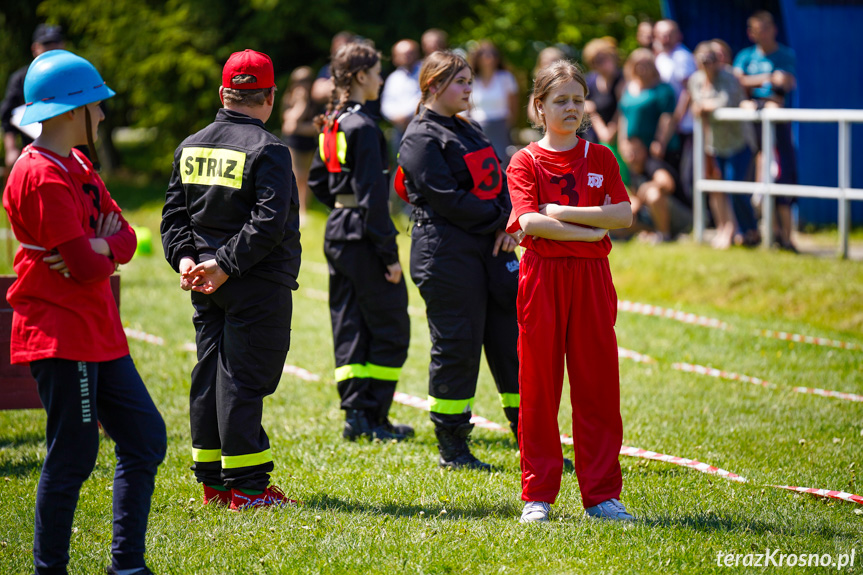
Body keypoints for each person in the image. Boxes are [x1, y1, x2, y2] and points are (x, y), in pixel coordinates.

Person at [3, 49, 166, 575]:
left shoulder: (77, 162)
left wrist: (102, 247)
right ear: (72, 110)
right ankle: (49, 569)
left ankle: (128, 566)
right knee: (72, 455)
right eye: (96, 106)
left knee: (145, 439)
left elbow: (125, 236)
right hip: (59, 332)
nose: (102, 115)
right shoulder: (40, 175)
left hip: (98, 329)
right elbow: (88, 263)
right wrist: (98, 250)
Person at [161, 49, 301, 510]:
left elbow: (174, 215)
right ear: (271, 97)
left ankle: (214, 482)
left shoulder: (190, 145)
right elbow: (268, 224)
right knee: (243, 379)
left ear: (224, 93)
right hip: (253, 281)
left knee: (210, 374)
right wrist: (224, 265)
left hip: (204, 283)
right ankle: (247, 488)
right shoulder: (271, 150)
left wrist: (186, 260)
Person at [505, 60, 634, 523]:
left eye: (578, 100)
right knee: (539, 386)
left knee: (598, 385)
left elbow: (622, 215)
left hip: (592, 281)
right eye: (560, 100)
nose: (571, 108)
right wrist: (586, 229)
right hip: (543, 277)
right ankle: (538, 493)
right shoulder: (526, 160)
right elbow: (529, 222)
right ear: (539, 107)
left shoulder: (600, 157)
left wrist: (559, 211)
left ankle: (602, 495)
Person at [398, 51, 520, 470]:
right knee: (457, 349)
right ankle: (453, 447)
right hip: (446, 255)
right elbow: (447, 199)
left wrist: (511, 221)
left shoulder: (470, 128)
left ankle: (531, 438)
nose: (469, 88)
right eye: (460, 81)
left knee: (512, 344)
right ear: (433, 86)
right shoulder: (420, 137)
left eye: (470, 80)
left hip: (492, 247)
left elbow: (500, 180)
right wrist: (498, 222)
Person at [308, 42, 412, 442]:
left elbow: (318, 181)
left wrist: (340, 203)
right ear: (360, 76)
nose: (383, 79)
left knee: (349, 322)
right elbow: (373, 200)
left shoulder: (332, 121)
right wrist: (389, 255)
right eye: (378, 71)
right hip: (364, 237)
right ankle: (375, 417)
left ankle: (356, 415)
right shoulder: (365, 127)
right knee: (390, 326)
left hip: (337, 229)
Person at [734, 10, 798, 252]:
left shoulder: (785, 54)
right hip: (752, 127)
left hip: (778, 127)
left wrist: (757, 82)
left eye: (767, 28)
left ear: (774, 29)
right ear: (751, 33)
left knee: (783, 176)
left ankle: (787, 238)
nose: (763, 33)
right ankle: (768, 233)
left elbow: (786, 82)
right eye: (758, 29)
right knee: (758, 180)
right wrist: (769, 78)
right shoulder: (745, 55)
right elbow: (737, 80)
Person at [689, 42, 756, 249]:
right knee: (718, 188)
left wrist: (704, 107)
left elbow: (724, 103)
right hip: (714, 144)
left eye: (711, 59)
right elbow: (696, 103)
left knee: (736, 187)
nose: (707, 64)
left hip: (739, 141)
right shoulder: (695, 80)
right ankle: (732, 230)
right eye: (703, 60)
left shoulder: (729, 77)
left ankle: (750, 231)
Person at [618, 48, 680, 211]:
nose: (642, 68)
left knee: (661, 181)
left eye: (646, 64)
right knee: (634, 183)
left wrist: (660, 141)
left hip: (654, 148)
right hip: (634, 150)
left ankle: (669, 219)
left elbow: (667, 118)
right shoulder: (627, 88)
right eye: (638, 64)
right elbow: (623, 116)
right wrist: (623, 141)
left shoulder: (662, 89)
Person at [1, 24, 65, 173]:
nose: (52, 49)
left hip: (74, 152)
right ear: (35, 48)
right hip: (36, 155)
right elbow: (7, 117)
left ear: (64, 45)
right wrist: (10, 148)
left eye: (57, 44)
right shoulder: (21, 79)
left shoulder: (75, 75)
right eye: (47, 45)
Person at [653, 19, 697, 204]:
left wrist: (677, 119)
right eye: (661, 34)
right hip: (669, 126)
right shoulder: (660, 57)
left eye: (669, 33)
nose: (665, 38)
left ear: (678, 35)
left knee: (689, 172)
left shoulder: (682, 57)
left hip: (685, 125)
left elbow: (688, 91)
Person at [620, 137, 691, 242]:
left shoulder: (652, 164)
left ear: (643, 151)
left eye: (634, 152)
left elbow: (667, 183)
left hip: (684, 217)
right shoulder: (632, 172)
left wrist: (645, 188)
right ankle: (652, 233)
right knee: (623, 212)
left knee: (653, 194)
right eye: (627, 153)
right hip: (655, 217)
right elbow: (635, 198)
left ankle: (664, 236)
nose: (631, 157)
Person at [581, 37, 628, 184]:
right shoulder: (589, 81)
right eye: (595, 61)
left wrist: (610, 131)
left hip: (620, 136)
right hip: (595, 137)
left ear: (612, 56)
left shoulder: (624, 78)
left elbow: (623, 108)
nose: (600, 64)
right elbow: (587, 108)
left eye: (603, 59)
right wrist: (602, 130)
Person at [468, 40, 519, 167]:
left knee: (501, 160)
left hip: (500, 126)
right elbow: (468, 106)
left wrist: (508, 125)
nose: (489, 58)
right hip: (477, 128)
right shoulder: (472, 80)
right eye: (485, 54)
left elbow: (513, 105)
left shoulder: (505, 77)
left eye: (493, 54)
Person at [281, 66, 319, 219]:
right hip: (293, 143)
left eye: (305, 81)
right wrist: (301, 103)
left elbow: (316, 127)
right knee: (297, 176)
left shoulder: (316, 101)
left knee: (308, 177)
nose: (302, 85)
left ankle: (304, 208)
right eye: (298, 81)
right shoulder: (289, 98)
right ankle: (298, 210)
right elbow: (289, 123)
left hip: (310, 142)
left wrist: (299, 127)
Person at [380, 39, 422, 143]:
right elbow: (386, 104)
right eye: (402, 54)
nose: (406, 57)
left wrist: (406, 115)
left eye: (410, 53)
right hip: (399, 129)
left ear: (417, 53)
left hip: (422, 126)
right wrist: (396, 117)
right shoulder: (394, 78)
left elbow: (425, 97)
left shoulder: (425, 72)